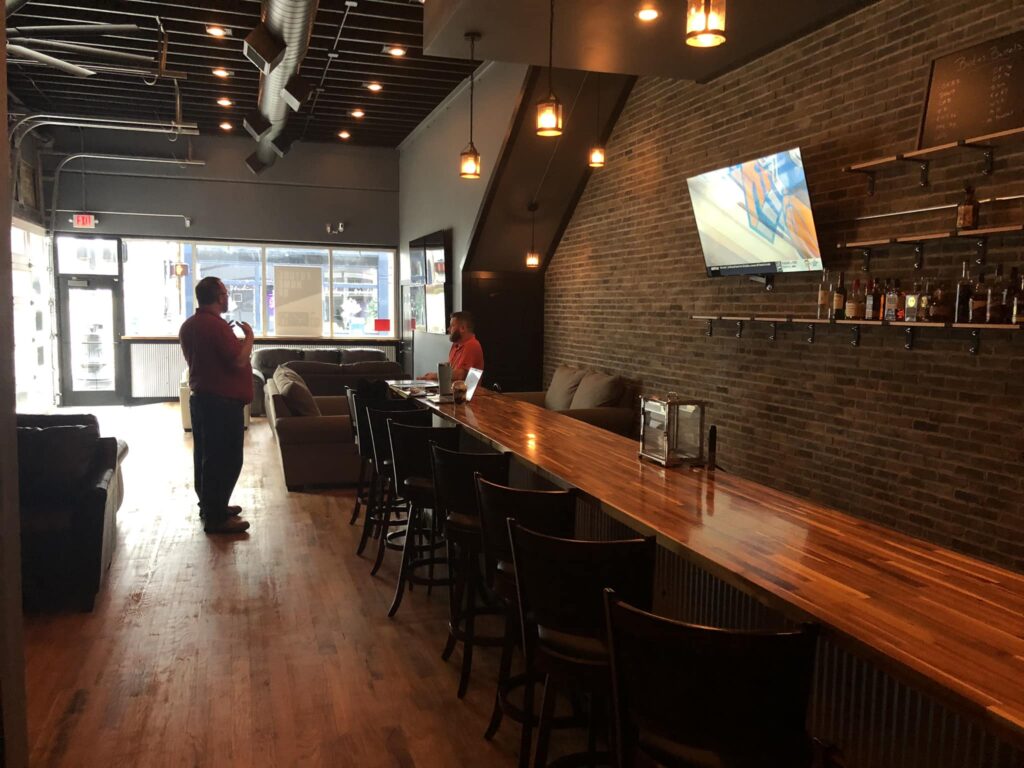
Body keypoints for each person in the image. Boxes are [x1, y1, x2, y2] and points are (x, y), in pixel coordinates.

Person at [179, 277, 255, 534]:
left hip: (202, 400)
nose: (227, 296)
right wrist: (249, 339)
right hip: (221, 405)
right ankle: (216, 517)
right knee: (226, 459)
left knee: (206, 457)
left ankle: (212, 506)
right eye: (225, 292)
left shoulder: (189, 325)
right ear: (219, 296)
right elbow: (238, 361)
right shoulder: (215, 326)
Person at [422, 310, 484, 383]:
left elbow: (460, 375)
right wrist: (432, 378)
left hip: (469, 393)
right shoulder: (455, 345)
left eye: (452, 326)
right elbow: (450, 373)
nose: (448, 329)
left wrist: (435, 376)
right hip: (454, 391)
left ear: (463, 328)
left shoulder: (472, 345)